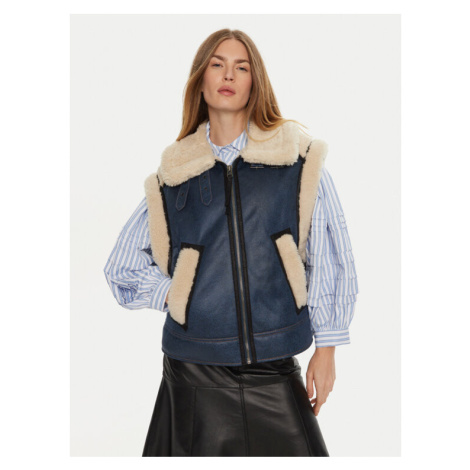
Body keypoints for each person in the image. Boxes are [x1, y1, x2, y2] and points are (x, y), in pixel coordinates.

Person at [103, 29, 359, 457]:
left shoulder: (297, 159)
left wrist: (328, 347)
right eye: (217, 65)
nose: (228, 75)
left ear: (255, 82)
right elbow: (121, 268)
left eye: (241, 67)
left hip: (274, 367)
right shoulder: (175, 174)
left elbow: (329, 254)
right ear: (200, 80)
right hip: (193, 373)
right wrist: (177, 295)